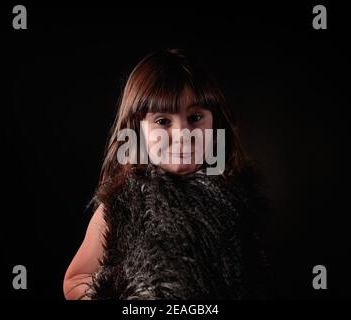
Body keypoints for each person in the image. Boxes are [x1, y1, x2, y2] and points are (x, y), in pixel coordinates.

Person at [63, 49, 269, 300]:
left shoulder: (235, 201)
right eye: (162, 121)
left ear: (216, 125)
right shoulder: (120, 205)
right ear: (137, 130)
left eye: (195, 117)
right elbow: (76, 280)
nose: (183, 134)